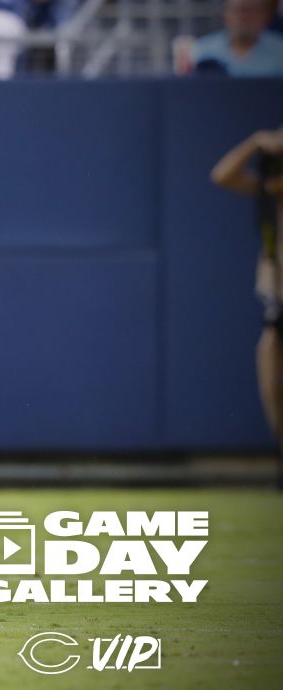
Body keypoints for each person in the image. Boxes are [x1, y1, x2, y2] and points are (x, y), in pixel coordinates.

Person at [211, 127, 283, 454]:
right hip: (276, 299)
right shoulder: (267, 194)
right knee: (269, 358)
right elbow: (223, 175)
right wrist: (257, 141)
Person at [191, 0, 283, 77]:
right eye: (236, 10)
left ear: (264, 15)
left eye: (249, 10)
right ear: (225, 14)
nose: (242, 17)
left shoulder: (280, 51)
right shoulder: (202, 50)